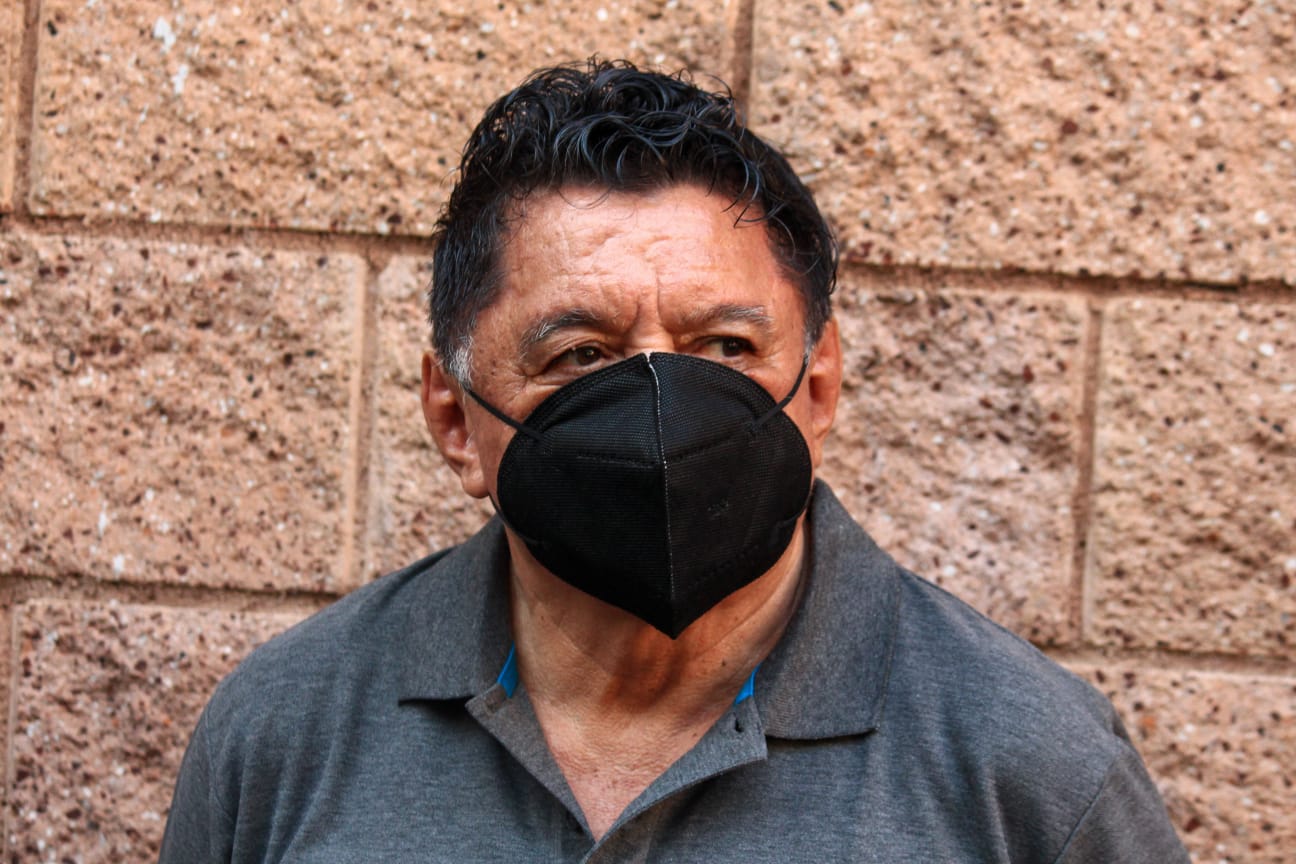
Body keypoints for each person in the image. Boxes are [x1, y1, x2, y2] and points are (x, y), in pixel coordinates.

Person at [159, 59, 1189, 863]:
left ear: (817, 388)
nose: (663, 409)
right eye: (581, 355)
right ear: (453, 418)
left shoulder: (1033, 769)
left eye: (727, 349)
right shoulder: (283, 733)